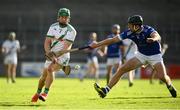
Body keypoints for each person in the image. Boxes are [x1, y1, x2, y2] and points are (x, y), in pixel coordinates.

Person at [90, 15, 177, 98]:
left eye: (130, 24)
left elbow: (157, 36)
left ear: (136, 26)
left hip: (155, 56)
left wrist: (153, 39)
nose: (128, 26)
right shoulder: (129, 32)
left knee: (162, 77)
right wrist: (97, 44)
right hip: (141, 55)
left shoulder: (148, 29)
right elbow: (113, 40)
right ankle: (105, 90)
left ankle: (169, 85)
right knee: (122, 69)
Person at [31, 8, 77, 102]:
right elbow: (47, 42)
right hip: (52, 54)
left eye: (66, 17)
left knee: (50, 69)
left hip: (63, 56)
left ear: (69, 19)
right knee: (43, 77)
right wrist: (49, 53)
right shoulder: (53, 27)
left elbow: (65, 48)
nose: (64, 19)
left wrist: (55, 57)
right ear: (58, 18)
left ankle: (45, 94)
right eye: (62, 17)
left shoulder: (72, 31)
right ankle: (38, 93)